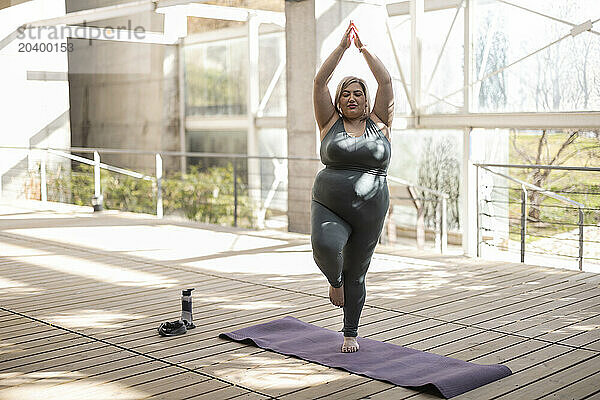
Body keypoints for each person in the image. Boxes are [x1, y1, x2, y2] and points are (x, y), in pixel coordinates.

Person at [311, 22, 393, 353]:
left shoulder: (381, 122)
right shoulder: (329, 122)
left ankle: (350, 332)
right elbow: (319, 82)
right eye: (345, 93)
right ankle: (334, 282)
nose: (351, 97)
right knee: (325, 245)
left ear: (366, 98)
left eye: (358, 92)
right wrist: (342, 48)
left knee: (358, 271)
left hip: (370, 211)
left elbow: (386, 80)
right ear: (339, 100)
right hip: (329, 202)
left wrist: (363, 49)